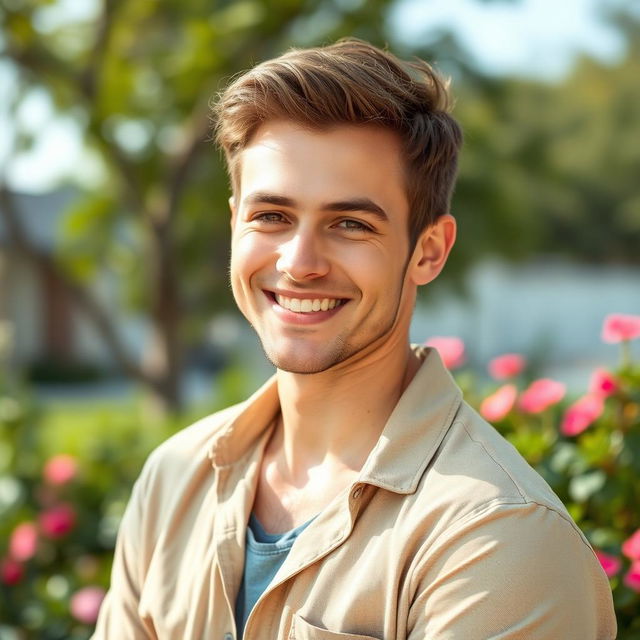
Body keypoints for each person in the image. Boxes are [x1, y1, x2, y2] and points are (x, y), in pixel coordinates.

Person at [93, 39, 616, 639]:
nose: (301, 262)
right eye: (272, 217)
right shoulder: (173, 479)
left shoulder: (497, 534)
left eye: (349, 224)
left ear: (428, 251)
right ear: (235, 220)